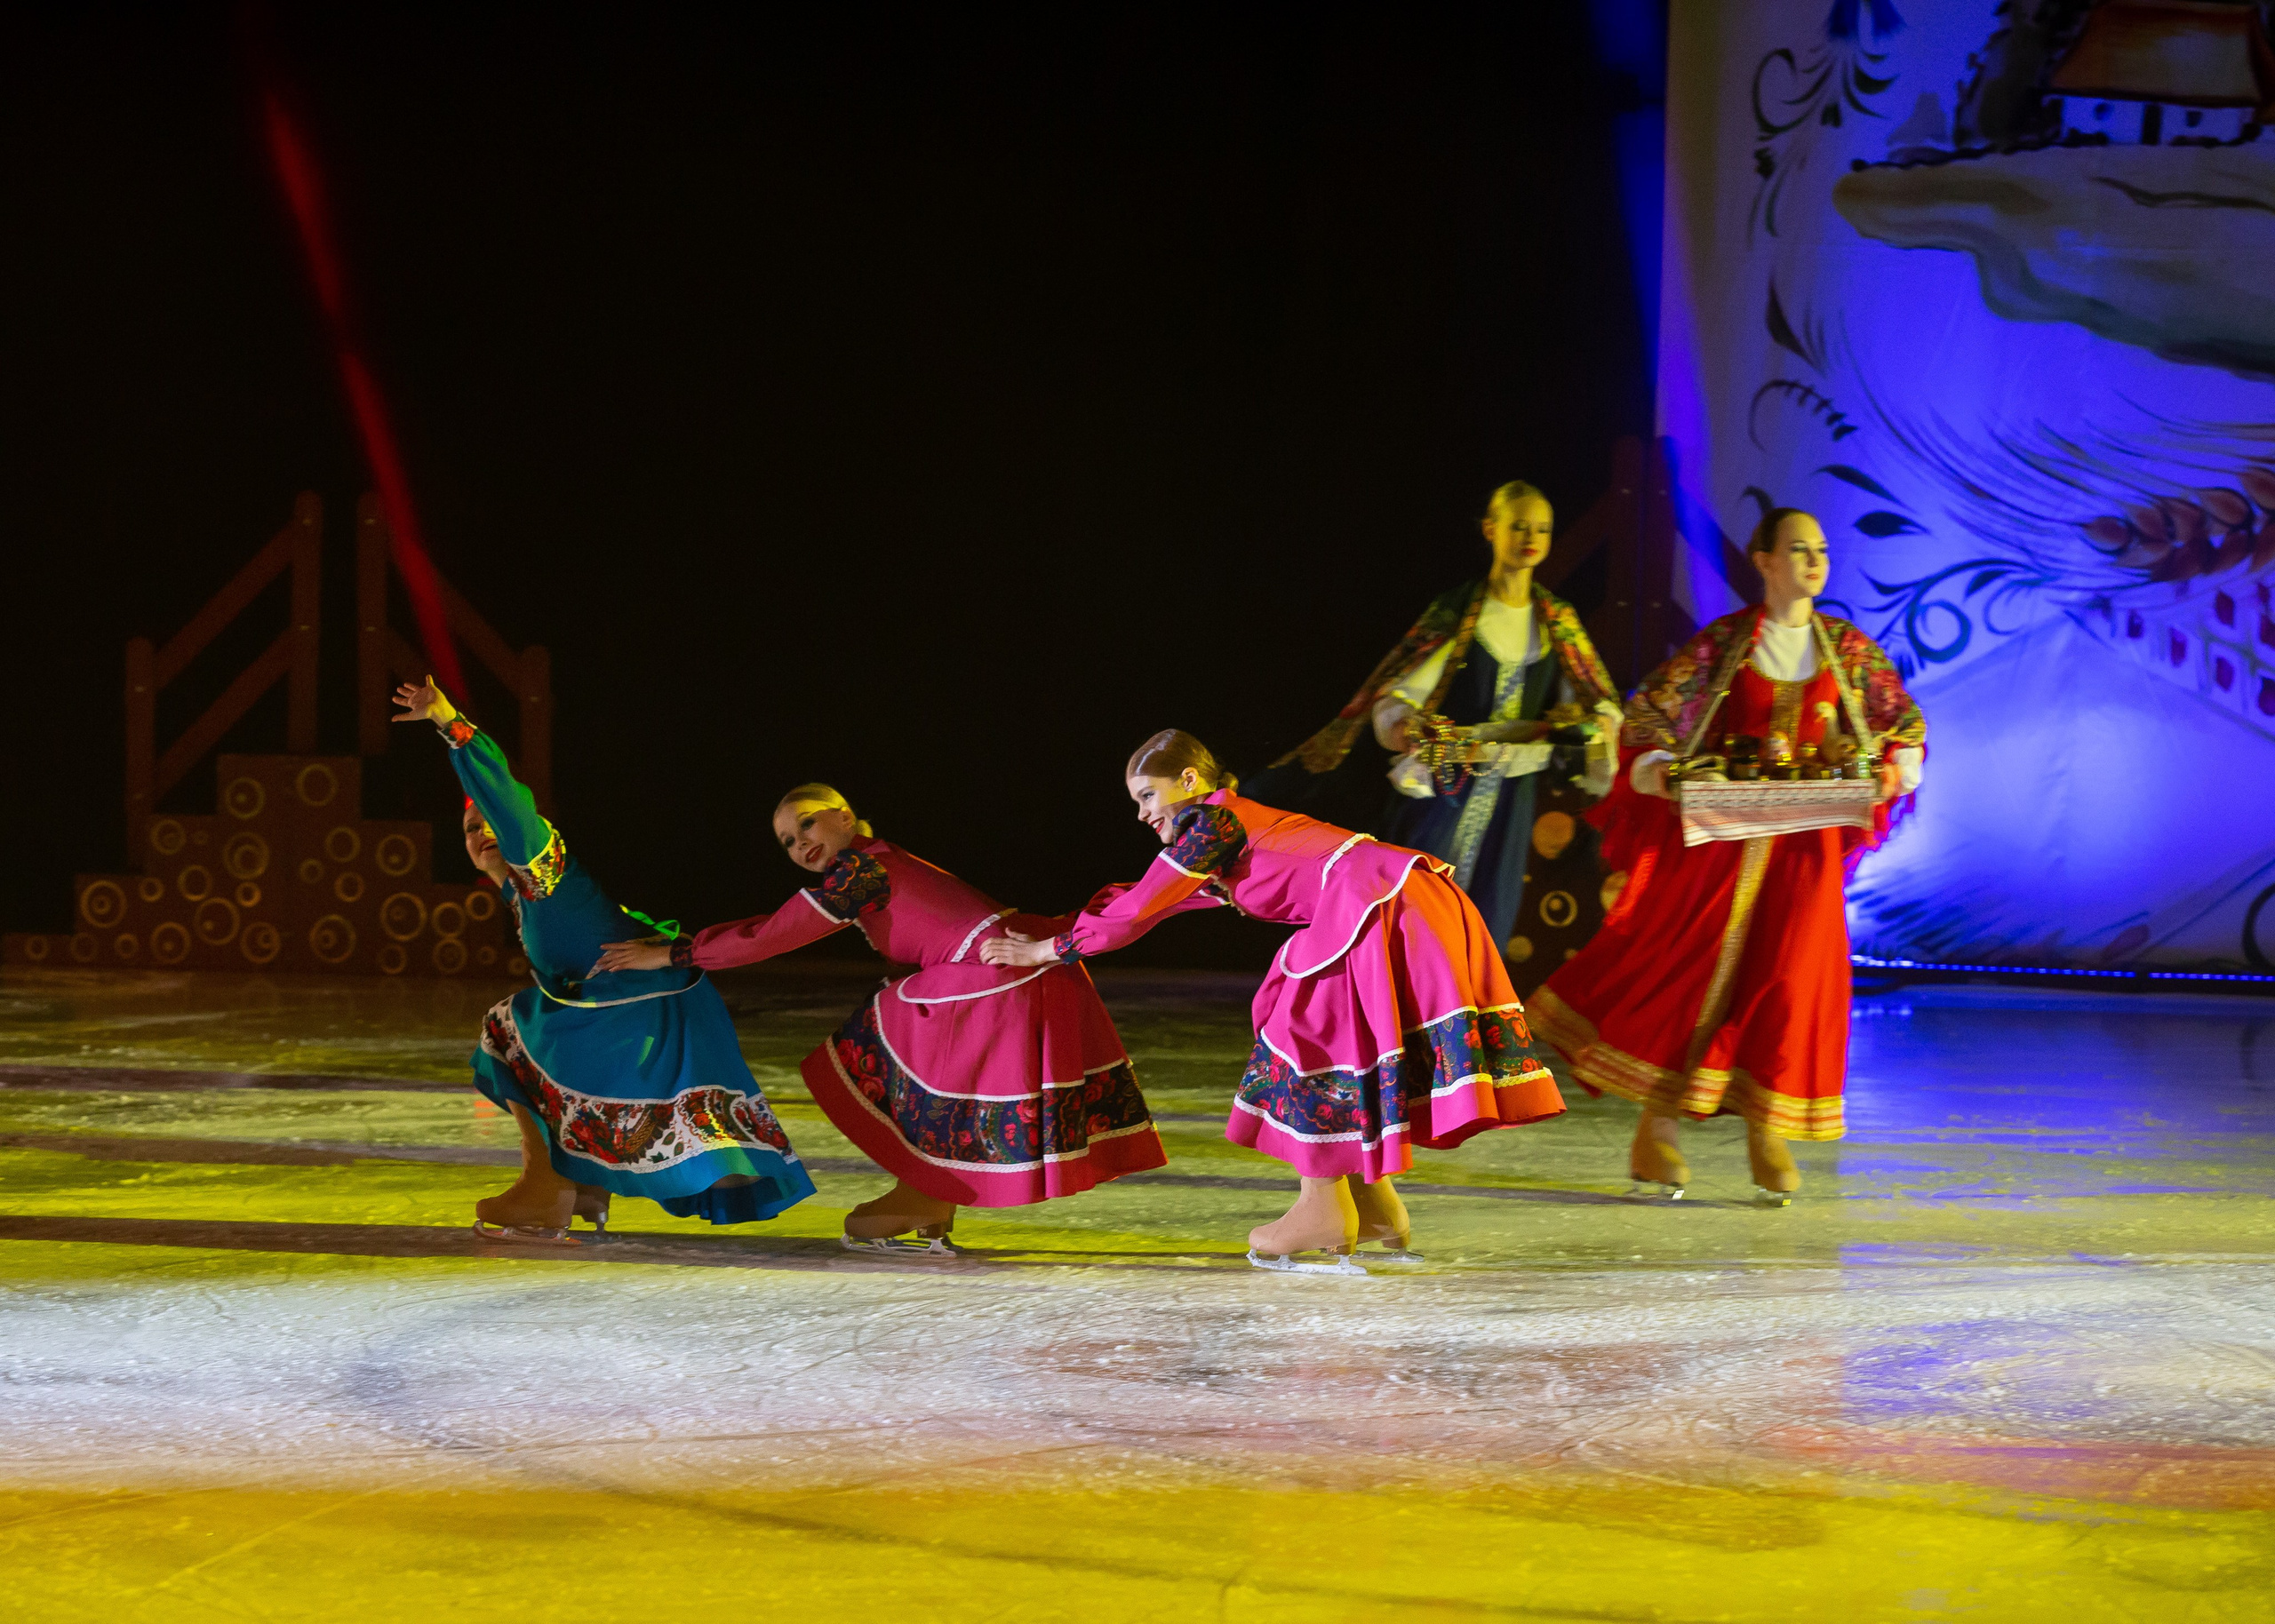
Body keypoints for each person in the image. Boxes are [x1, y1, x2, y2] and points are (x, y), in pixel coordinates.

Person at [982, 730, 1563, 1274]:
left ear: (1189, 781)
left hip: (1374, 903)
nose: (1141, 813)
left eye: (1147, 794)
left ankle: (1323, 1210)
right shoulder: (1228, 834)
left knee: (1303, 1037)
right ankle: (1372, 1202)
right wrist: (1044, 932)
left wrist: (1044, 953)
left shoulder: (1213, 823)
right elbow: (1143, 902)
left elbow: (1138, 910)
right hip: (1396, 898)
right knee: (1333, 1039)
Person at [1527, 508, 1926, 1203]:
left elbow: (1902, 723)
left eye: (1821, 549)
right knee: (1691, 975)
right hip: (1720, 845)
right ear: (1764, 560)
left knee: (1787, 979)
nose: (1813, 560)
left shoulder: (1848, 652)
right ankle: (1656, 1131)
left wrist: (1894, 767)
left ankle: (1763, 1130)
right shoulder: (1726, 645)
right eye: (1797, 549)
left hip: (1804, 851)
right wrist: (1662, 767)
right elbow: (1651, 711)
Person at [596, 784, 1163, 1255]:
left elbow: (776, 934)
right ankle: (930, 1192)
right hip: (1006, 969)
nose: (801, 845)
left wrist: (676, 954)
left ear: (845, 817)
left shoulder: (863, 871)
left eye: (809, 825)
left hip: (994, 972)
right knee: (909, 1031)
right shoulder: (873, 866)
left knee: (881, 1030)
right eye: (789, 842)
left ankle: (924, 1189)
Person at [394, 676, 815, 1240]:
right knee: (530, 1022)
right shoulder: (520, 895)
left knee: (509, 1027)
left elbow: (508, 800)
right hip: (631, 1005)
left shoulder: (541, 867)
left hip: (644, 1012)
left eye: (490, 820)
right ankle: (585, 1188)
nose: (483, 831)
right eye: (471, 827)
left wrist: (450, 722)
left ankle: (548, 1189)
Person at [1267, 482, 1622, 991]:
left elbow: (1594, 695)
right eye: (1518, 525)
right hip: (1445, 781)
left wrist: (1596, 724)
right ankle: (1393, 1016)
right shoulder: (1458, 611)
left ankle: (1466, 1027)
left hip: (1511, 789)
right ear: (1490, 530)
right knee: (1418, 898)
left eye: (1542, 528)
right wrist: (1410, 726)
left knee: (1489, 909)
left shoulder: (1557, 620)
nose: (1531, 538)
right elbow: (1400, 692)